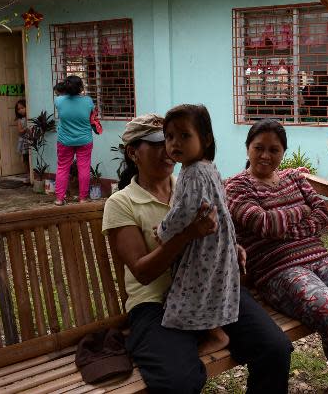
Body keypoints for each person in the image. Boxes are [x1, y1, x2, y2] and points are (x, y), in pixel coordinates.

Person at [102, 114, 293, 394]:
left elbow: (217, 231)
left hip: (212, 289)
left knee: (274, 349)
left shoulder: (192, 181)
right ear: (133, 153)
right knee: (178, 383)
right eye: (159, 143)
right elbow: (143, 273)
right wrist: (187, 234)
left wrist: (231, 250)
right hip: (156, 304)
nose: (169, 149)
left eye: (175, 140)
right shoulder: (121, 203)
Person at [225, 119, 328, 394]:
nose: (265, 155)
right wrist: (301, 211)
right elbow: (265, 225)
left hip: (319, 259)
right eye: (258, 147)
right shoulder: (237, 186)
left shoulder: (294, 177)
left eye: (274, 150)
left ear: (283, 152)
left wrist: (285, 224)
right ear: (247, 147)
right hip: (276, 270)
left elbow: (323, 215)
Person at [156, 104, 238, 351]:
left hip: (206, 245)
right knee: (207, 286)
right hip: (218, 241)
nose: (174, 143)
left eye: (184, 135)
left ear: (206, 139)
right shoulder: (207, 167)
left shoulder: (192, 173)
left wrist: (162, 232)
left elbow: (183, 211)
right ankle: (212, 330)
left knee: (195, 286)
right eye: (169, 137)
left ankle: (214, 334)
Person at [54, 75, 94, 205]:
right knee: (84, 168)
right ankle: (83, 198)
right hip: (85, 140)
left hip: (64, 140)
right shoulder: (88, 101)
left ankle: (59, 199)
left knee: (62, 168)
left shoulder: (59, 101)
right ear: (81, 87)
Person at [15, 100, 31, 184]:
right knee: (25, 157)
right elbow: (20, 131)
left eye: (22, 108)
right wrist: (26, 129)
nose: (20, 110)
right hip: (23, 140)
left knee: (31, 157)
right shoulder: (19, 119)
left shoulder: (31, 116)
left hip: (31, 140)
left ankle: (31, 173)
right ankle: (28, 174)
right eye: (18, 109)